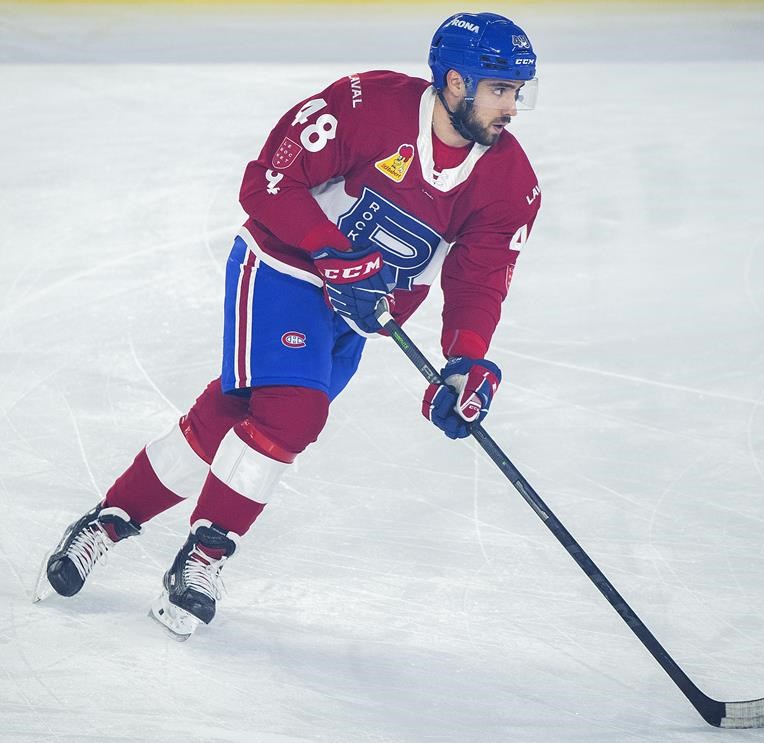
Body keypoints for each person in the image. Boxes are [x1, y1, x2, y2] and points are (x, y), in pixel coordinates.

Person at [34, 11, 542, 640]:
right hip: (282, 268)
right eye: (500, 90)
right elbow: (268, 181)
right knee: (293, 412)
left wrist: (466, 360)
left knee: (239, 410)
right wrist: (329, 249)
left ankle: (108, 522)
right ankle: (203, 558)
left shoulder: (511, 182)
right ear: (457, 83)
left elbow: (480, 278)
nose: (512, 108)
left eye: (519, 92)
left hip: (358, 316)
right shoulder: (366, 105)